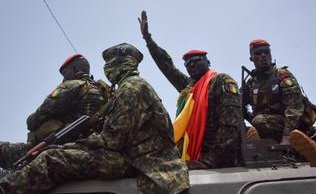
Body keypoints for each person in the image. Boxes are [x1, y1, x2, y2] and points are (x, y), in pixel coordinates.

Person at [0, 43, 189, 194]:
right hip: (138, 156)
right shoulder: (125, 88)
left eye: (110, 64)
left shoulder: (131, 88)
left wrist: (70, 146)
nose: (107, 69)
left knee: (51, 158)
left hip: (141, 161)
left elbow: (111, 140)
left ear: (120, 64)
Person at [139, 11, 242, 169]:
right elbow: (167, 67)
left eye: (195, 61)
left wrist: (210, 161)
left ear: (207, 61)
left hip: (216, 160)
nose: (191, 65)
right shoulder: (190, 86)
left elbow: (230, 124)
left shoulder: (220, 81)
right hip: (194, 156)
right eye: (187, 64)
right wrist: (148, 39)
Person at [0, 54, 108, 169]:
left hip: (56, 145)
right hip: (86, 146)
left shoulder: (73, 85)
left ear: (75, 69)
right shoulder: (103, 92)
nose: (63, 78)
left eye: (65, 73)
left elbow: (33, 121)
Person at [243, 39, 314, 144]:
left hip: (291, 125)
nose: (263, 55)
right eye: (258, 53)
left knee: (259, 121)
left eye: (266, 52)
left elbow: (294, 108)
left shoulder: (281, 75)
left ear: (270, 55)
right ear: (251, 58)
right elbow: (238, 105)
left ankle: (304, 137)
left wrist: (287, 137)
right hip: (264, 124)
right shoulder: (251, 83)